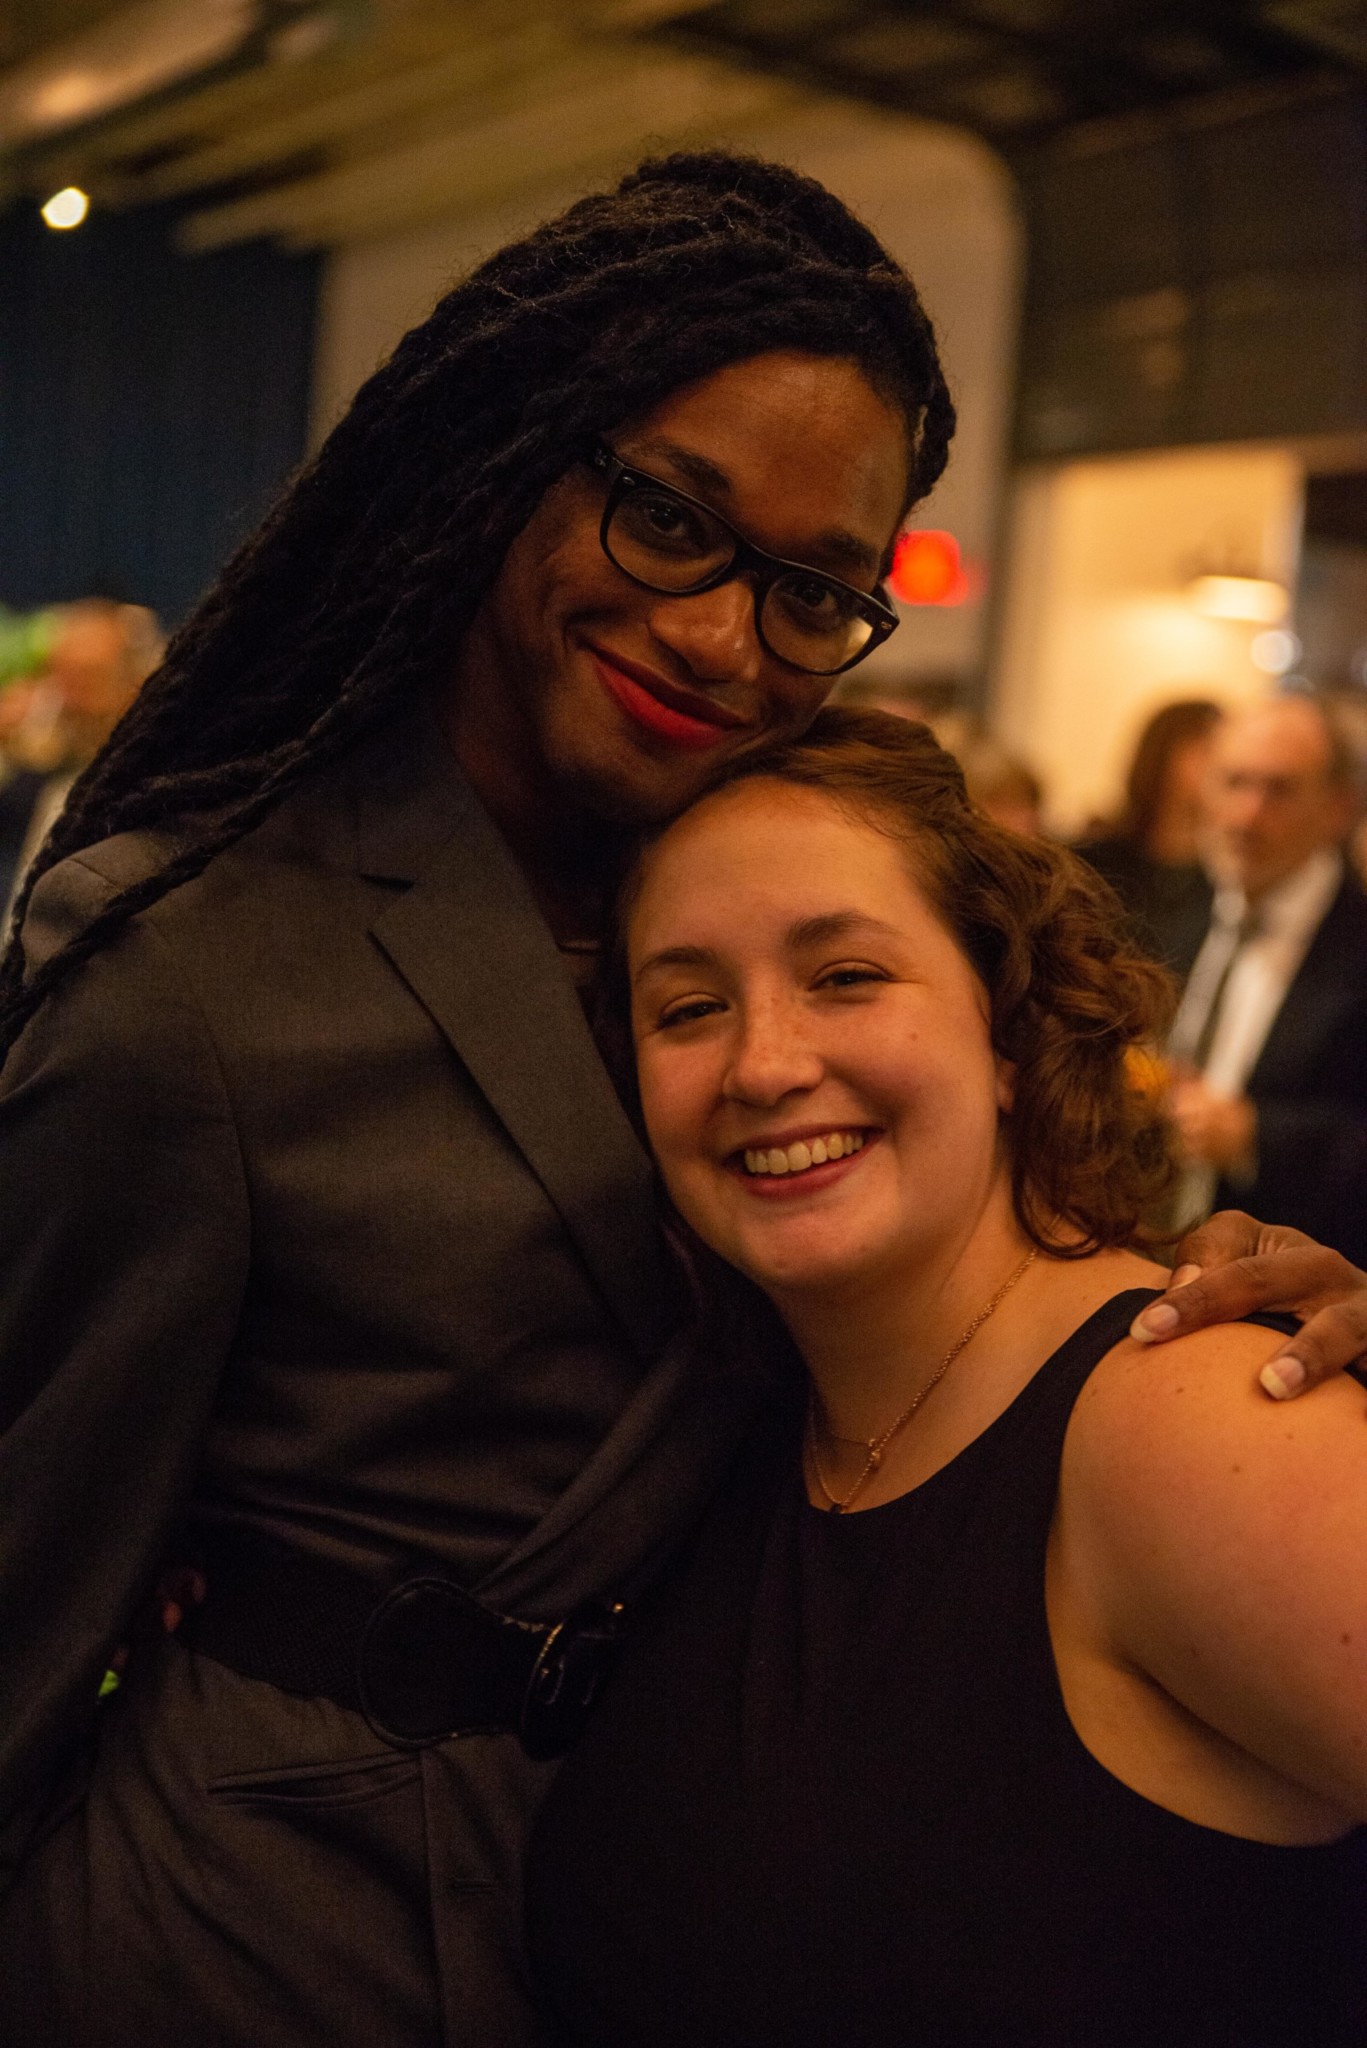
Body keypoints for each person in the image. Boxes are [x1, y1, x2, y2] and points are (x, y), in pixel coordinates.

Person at [0, 148, 1361, 2048]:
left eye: (814, 590)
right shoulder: (198, 963)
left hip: (688, 1879)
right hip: (270, 1929)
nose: (724, 636)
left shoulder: (758, 884)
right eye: (663, 519)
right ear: (505, 456)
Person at [526, 708, 1367, 2046]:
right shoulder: (722, 1433)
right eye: (687, 1007)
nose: (763, 1063)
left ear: (1005, 1033)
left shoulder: (1187, 1412)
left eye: (844, 977)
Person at [1168, 693, 1367, 1264]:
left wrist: (1257, 1138)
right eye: (1233, 783)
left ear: (1338, 807)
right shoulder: (1175, 907)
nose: (1247, 815)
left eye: (1279, 790)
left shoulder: (1356, 942)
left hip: (1301, 1282)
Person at [1074, 697, 1221, 974]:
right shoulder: (1093, 862)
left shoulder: (1228, 874)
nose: (1222, 763)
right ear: (1164, 755)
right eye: (1206, 749)